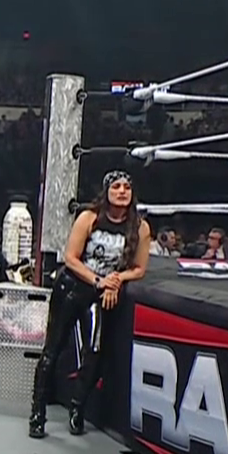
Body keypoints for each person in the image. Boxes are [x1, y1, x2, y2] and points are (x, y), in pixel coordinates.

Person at [28, 170, 152, 439]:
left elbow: (139, 269)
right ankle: (37, 413)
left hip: (100, 294)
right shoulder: (89, 218)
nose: (122, 191)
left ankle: (78, 409)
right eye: (116, 187)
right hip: (72, 288)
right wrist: (99, 281)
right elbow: (71, 258)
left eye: (126, 187)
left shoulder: (140, 228)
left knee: (94, 353)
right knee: (53, 349)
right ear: (106, 191)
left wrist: (115, 280)